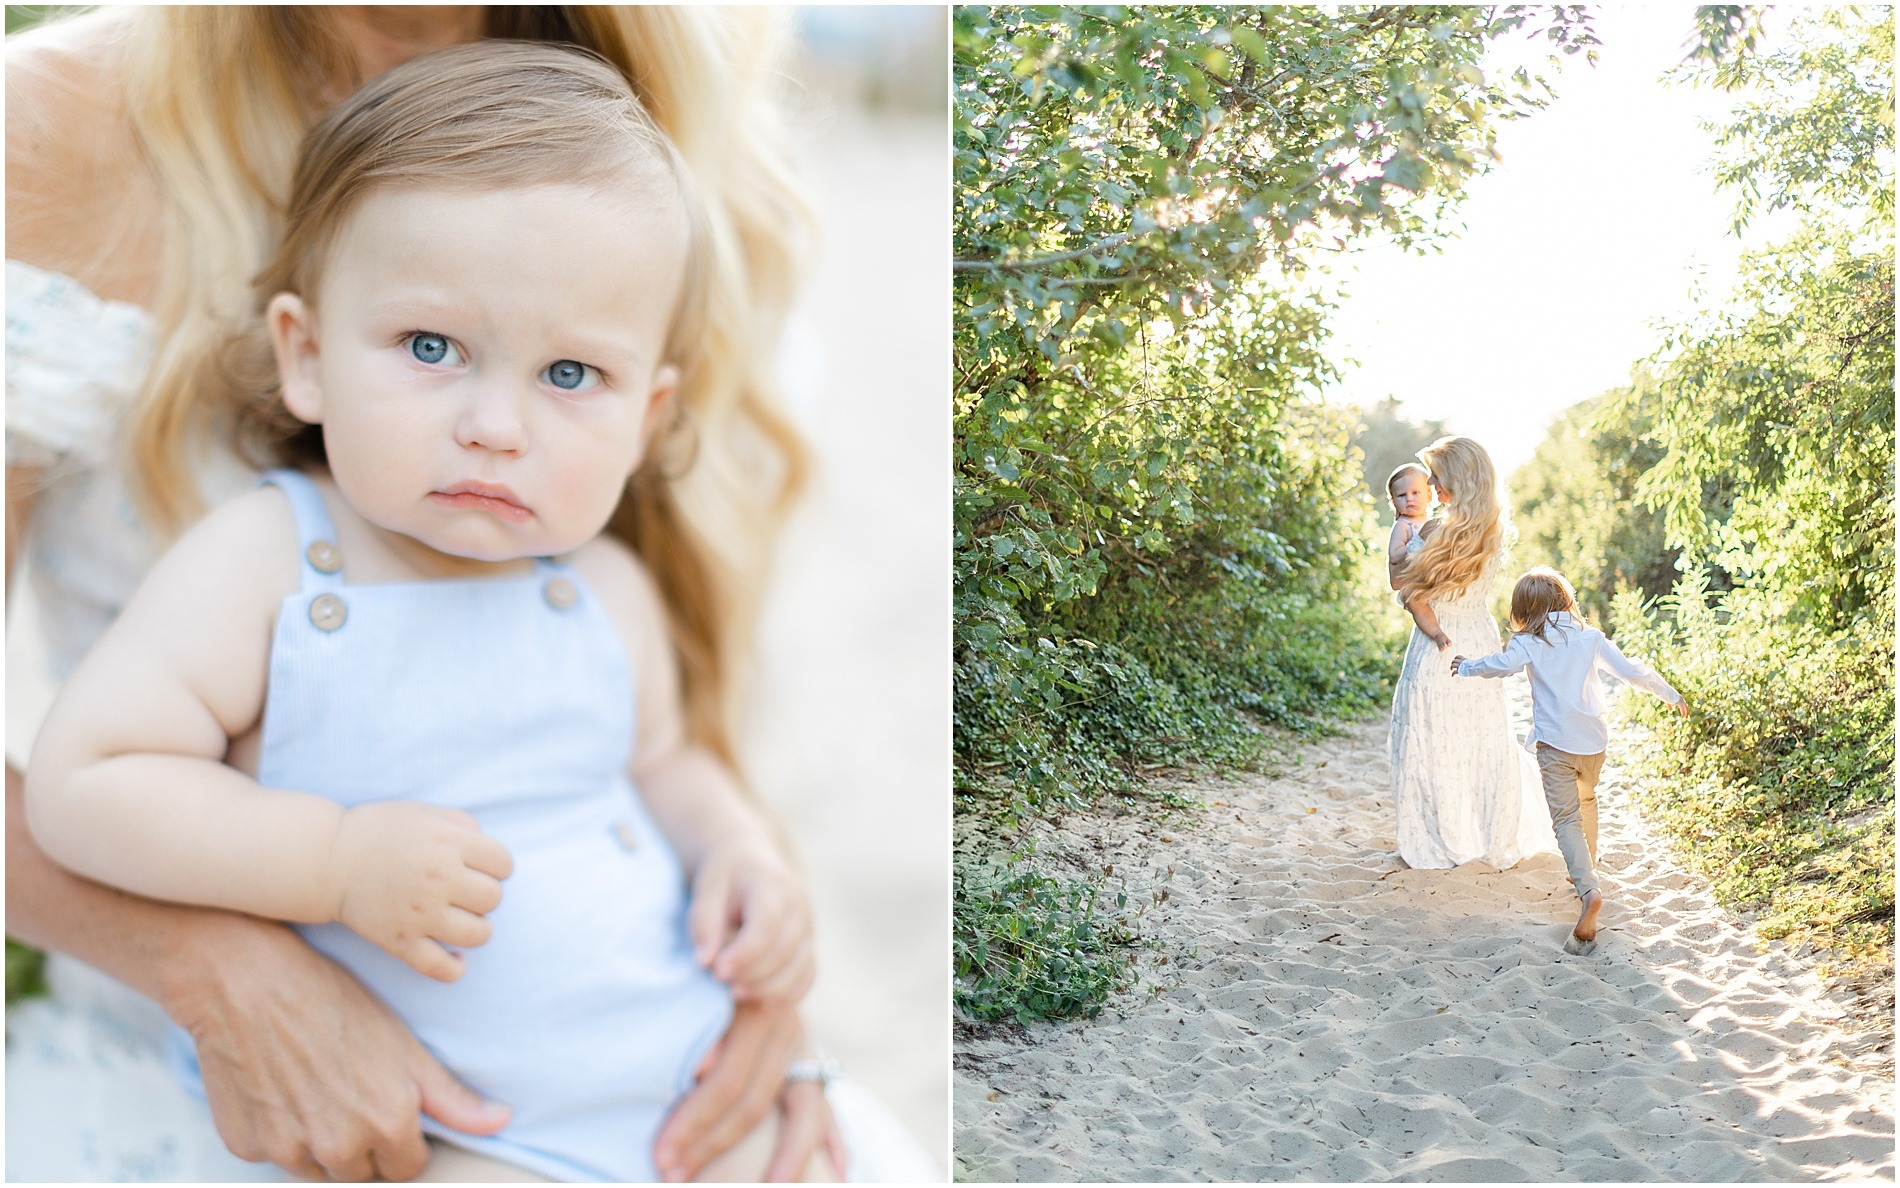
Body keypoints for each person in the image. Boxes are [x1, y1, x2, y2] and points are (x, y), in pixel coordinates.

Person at [6, 7, 847, 1182]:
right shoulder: (267, 562)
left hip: (660, 1100)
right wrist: (331, 862)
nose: (494, 426)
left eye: (568, 375)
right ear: (302, 354)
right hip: (414, 1125)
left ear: (647, 418)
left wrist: (746, 858)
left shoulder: (603, 588)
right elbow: (85, 784)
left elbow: (666, 766)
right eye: (430, 348)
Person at [1450, 568, 1689, 955]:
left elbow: (1501, 666)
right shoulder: (1590, 637)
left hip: (1555, 743)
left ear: (1523, 610)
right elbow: (1630, 671)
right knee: (1588, 800)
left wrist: (1466, 666)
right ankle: (1587, 868)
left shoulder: (1527, 641)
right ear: (1566, 600)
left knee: (1565, 820)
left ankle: (1588, 888)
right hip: (1593, 743)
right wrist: (1669, 693)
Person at [1385, 436, 1556, 870]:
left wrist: (1410, 590)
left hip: (1438, 642)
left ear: (1458, 479)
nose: (1431, 486)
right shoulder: (1493, 529)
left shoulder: (1433, 531)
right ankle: (1482, 833)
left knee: (1432, 733)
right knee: (1478, 736)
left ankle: (1444, 835)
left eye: (1437, 478)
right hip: (1477, 636)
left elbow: (1403, 587)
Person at [1384, 462, 1432, 595]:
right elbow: (1394, 555)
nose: (1409, 499)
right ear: (1393, 502)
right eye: (1402, 495)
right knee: (1418, 605)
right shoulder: (1403, 525)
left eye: (1415, 492)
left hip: (1431, 580)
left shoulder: (1430, 523)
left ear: (1428, 495)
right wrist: (1417, 543)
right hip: (1414, 586)